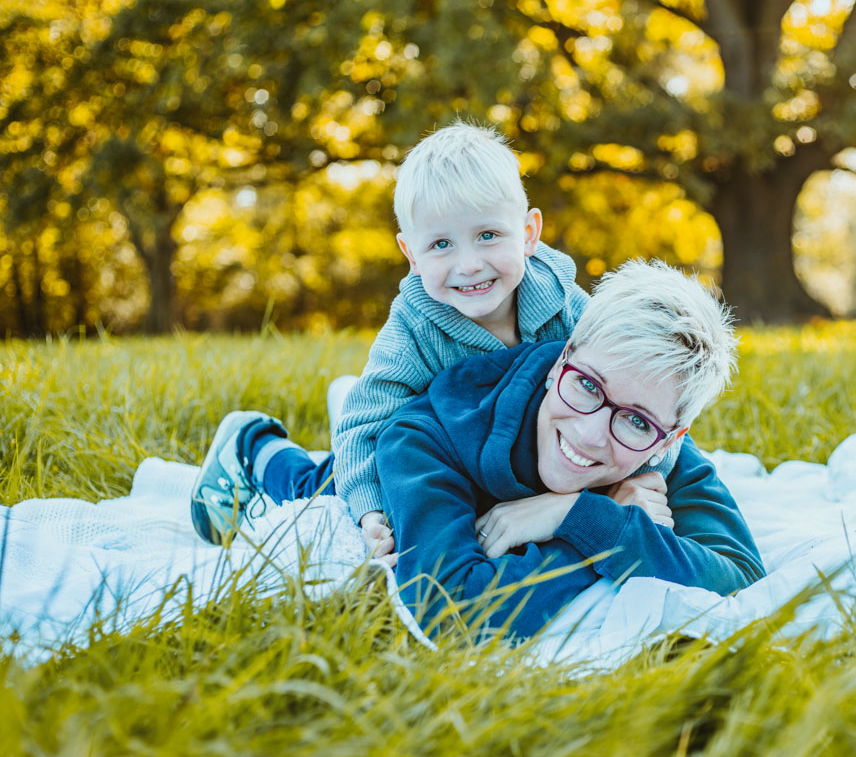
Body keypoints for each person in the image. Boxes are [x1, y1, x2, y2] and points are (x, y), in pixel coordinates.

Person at [189, 121, 594, 551]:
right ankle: (255, 447)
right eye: (441, 244)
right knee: (327, 489)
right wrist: (369, 512)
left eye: (487, 235)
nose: (469, 263)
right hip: (431, 453)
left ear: (529, 234)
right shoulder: (414, 329)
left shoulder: (566, 305)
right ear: (411, 255)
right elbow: (365, 427)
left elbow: (633, 383)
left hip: (510, 458)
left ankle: (342, 397)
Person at [372, 260, 764, 637]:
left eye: (636, 420)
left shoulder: (656, 446)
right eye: (589, 385)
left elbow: (741, 578)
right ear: (561, 362)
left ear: (669, 440)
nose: (590, 434)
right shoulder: (426, 436)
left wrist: (579, 517)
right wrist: (594, 531)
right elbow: (449, 612)